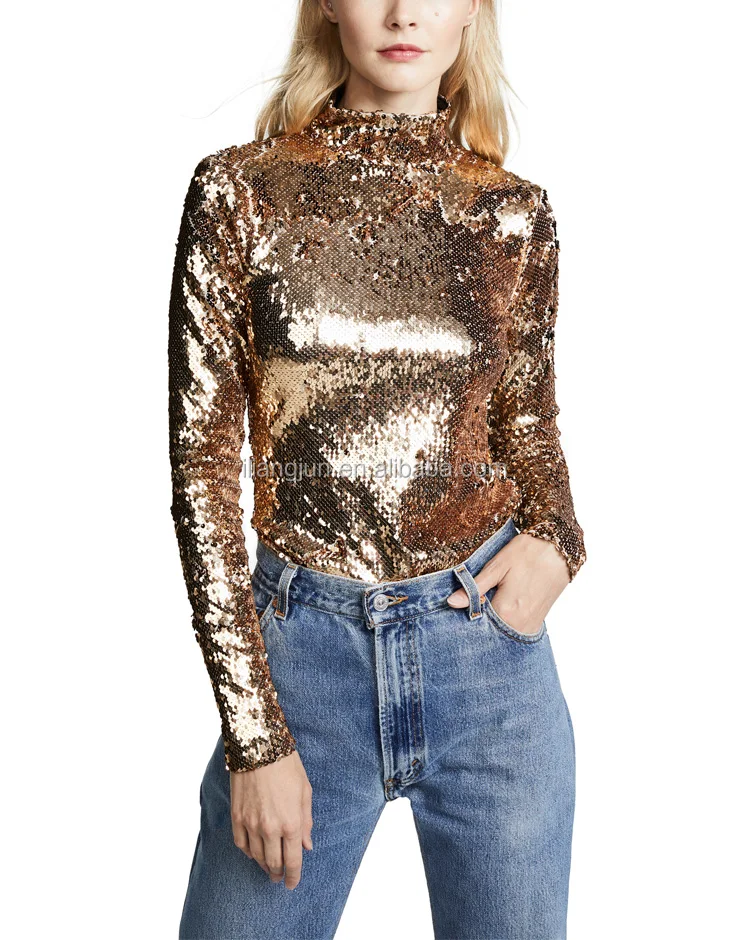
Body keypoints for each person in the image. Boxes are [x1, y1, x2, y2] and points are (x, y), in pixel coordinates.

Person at [168, 0, 587, 936]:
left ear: (473, 8)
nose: (403, 13)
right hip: (301, 670)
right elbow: (202, 473)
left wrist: (559, 539)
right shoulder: (240, 192)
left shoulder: (513, 213)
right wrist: (255, 733)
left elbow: (528, 422)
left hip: (489, 668)